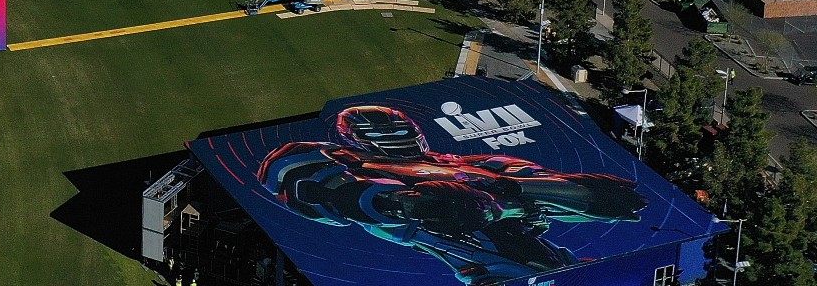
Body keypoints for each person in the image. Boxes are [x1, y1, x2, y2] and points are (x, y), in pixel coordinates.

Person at [259, 105, 644, 285]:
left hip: (516, 235)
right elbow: (298, 180)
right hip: (449, 230)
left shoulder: (470, 160)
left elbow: (538, 178)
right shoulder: (342, 159)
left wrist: (516, 192)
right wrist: (403, 202)